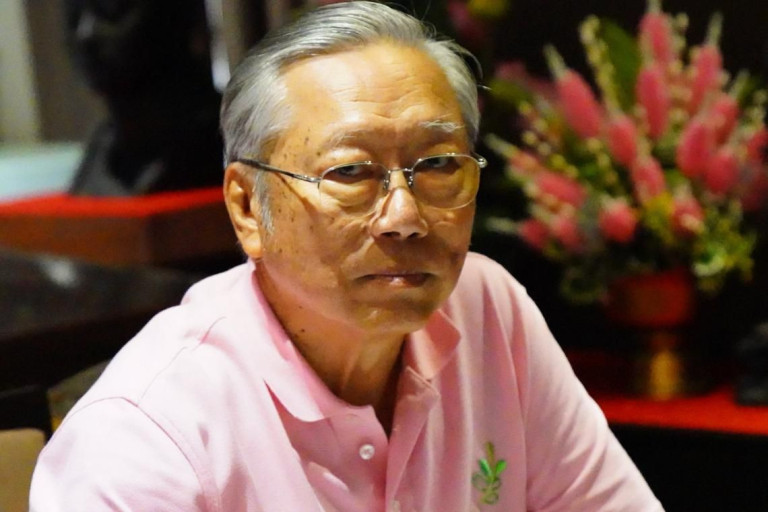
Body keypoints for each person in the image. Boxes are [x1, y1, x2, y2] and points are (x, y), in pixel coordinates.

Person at [30, 2, 663, 510]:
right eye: (351, 172)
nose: (405, 216)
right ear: (247, 207)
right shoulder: (148, 438)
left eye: (438, 165)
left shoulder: (488, 311)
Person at [64, 0, 223, 195]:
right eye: (73, 15)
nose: (85, 34)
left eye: (111, 11)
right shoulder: (102, 152)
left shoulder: (226, 143)